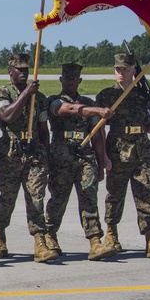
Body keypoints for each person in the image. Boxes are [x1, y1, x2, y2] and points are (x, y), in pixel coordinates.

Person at [96, 53, 150, 258]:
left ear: (133, 71)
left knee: (145, 196)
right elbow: (100, 129)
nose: (120, 73)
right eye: (118, 69)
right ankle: (111, 234)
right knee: (115, 195)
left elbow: (148, 127)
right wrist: (103, 156)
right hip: (118, 152)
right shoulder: (107, 95)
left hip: (142, 152)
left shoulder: (142, 95)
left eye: (124, 69)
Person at [45, 63, 117, 261]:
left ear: (79, 80)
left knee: (89, 197)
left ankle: (95, 241)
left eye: (74, 78)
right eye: (67, 78)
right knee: (58, 199)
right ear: (61, 80)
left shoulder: (88, 102)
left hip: (85, 157)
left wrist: (102, 161)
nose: (70, 81)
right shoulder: (54, 101)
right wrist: (98, 110)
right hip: (61, 158)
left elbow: (97, 135)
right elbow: (68, 109)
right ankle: (50, 236)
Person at [0, 54, 57, 263]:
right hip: (10, 151)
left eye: (26, 69)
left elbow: (43, 129)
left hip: (34, 151)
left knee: (36, 197)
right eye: (19, 69)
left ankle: (40, 241)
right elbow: (7, 115)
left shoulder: (40, 98)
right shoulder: (1, 93)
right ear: (10, 71)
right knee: (7, 197)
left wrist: (46, 155)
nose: (24, 73)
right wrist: (27, 93)